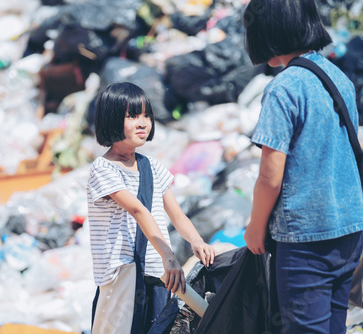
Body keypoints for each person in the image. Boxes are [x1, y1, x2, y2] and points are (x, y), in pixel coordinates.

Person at [242, 0, 363, 333]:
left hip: (307, 240)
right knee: (334, 325)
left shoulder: (283, 88)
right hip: (350, 229)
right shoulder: (338, 77)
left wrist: (255, 227)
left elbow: (270, 175)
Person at [87, 82, 215, 334]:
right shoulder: (103, 169)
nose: (143, 122)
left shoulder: (152, 166)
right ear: (111, 119)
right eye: (132, 116)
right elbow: (138, 211)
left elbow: (176, 214)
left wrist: (197, 241)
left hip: (158, 273)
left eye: (146, 115)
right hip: (122, 273)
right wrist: (170, 256)